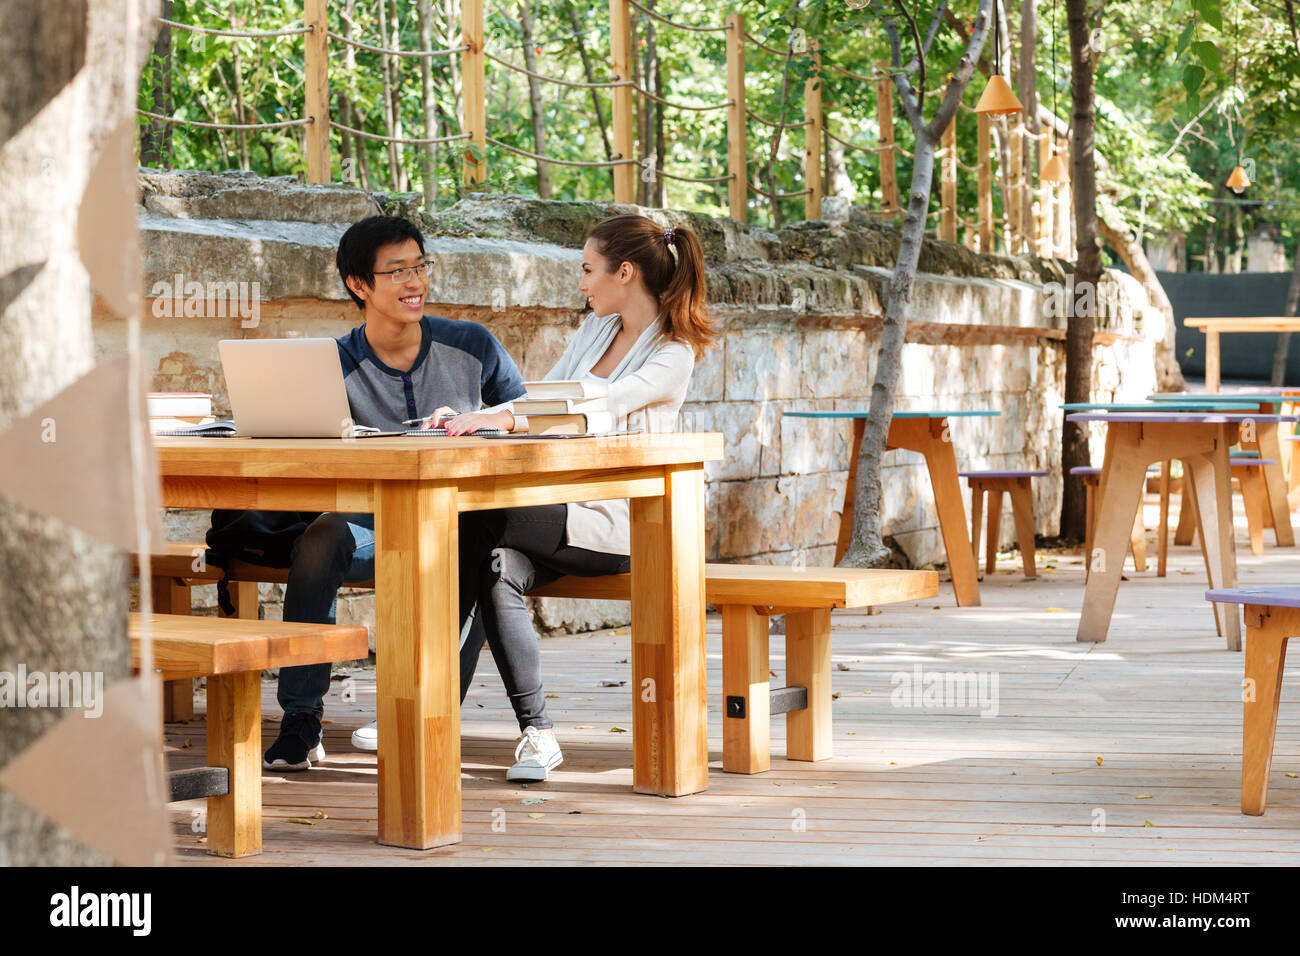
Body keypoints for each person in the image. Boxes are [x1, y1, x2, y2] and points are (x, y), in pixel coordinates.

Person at [449, 213, 717, 782]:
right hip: (557, 513)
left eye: (587, 270)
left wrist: (500, 419)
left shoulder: (674, 353)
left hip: (626, 523)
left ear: (625, 272)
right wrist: (477, 419)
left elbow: (596, 410)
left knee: (479, 515)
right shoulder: (594, 331)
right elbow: (542, 399)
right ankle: (538, 735)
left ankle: (432, 705)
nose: (581, 283)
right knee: (496, 567)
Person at [261, 214, 526, 771]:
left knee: (474, 552)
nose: (415, 283)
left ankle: (429, 711)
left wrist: (485, 421)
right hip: (374, 528)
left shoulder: (473, 345)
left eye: (420, 266)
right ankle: (301, 722)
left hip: (462, 526)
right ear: (360, 285)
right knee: (320, 537)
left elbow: (529, 421)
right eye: (397, 271)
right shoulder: (332, 364)